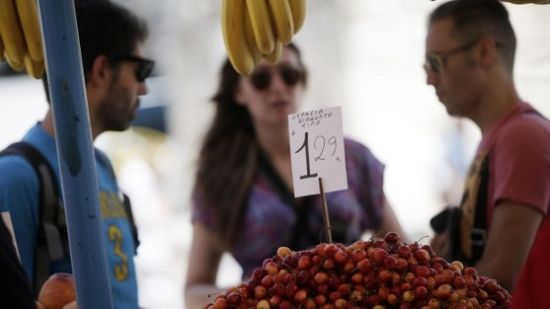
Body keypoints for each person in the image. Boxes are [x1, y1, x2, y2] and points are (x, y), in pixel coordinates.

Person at [184, 43, 407, 308]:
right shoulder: (219, 177)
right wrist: (255, 292)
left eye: (289, 75)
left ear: (303, 82)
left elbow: (403, 252)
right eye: (261, 80)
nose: (278, 87)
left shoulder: (353, 158)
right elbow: (194, 291)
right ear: (238, 92)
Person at [0, 1, 153, 308]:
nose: (144, 88)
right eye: (140, 71)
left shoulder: (103, 166)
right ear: (101, 70)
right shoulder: (15, 176)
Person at [425, 0, 550, 304]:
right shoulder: (499, 138)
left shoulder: (523, 136)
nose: (429, 79)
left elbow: (498, 278)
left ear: (484, 51)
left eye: (436, 62)